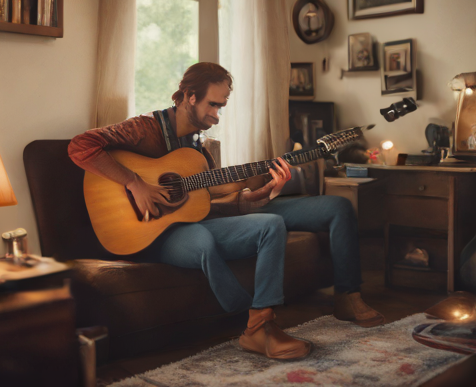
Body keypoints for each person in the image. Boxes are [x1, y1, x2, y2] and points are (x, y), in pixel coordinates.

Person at [69, 62, 384, 361]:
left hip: (187, 225)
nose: (217, 115)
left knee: (270, 224)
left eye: (221, 106)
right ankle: (247, 321)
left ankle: (260, 326)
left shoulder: (196, 148)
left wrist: (254, 195)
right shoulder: (145, 128)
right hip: (145, 234)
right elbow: (80, 146)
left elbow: (204, 203)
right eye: (213, 105)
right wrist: (135, 183)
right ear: (190, 98)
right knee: (202, 242)